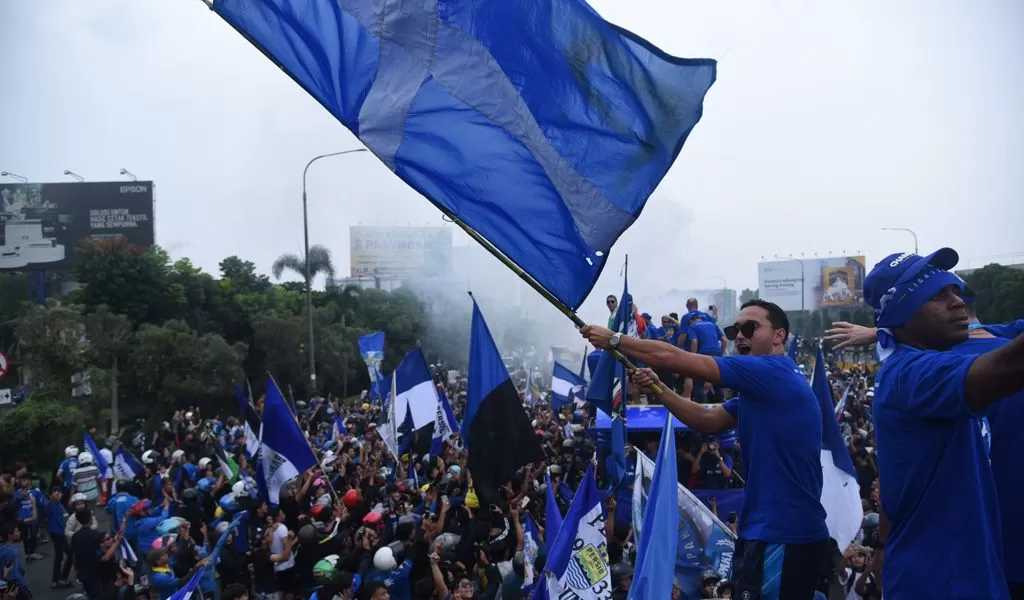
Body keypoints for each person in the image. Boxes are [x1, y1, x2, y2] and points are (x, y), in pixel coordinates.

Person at [582, 298, 829, 599]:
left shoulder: (773, 371)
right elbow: (707, 420)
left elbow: (675, 357)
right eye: (735, 330)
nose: (739, 336)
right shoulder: (762, 389)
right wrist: (660, 388)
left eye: (750, 328)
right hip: (767, 531)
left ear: (779, 336)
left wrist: (615, 340)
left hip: (785, 533)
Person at [827, 282, 1024, 598]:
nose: (955, 302)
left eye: (954, 293)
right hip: (956, 573)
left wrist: (881, 332)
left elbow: (894, 486)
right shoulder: (915, 372)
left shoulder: (910, 367)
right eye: (937, 296)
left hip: (974, 565)